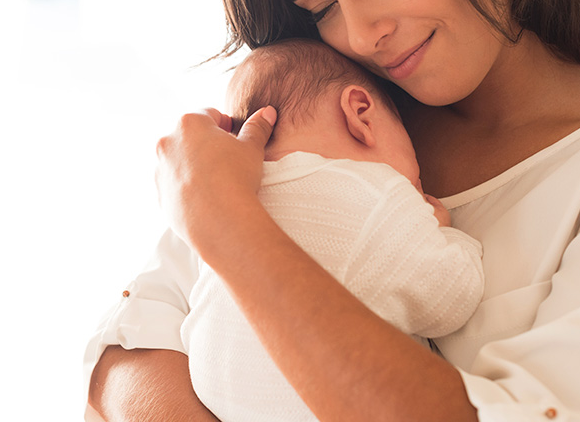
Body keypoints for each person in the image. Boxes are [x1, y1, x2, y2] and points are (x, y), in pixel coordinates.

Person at [86, 0, 580, 420]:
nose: (363, 35)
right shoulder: (333, 118)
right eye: (321, 7)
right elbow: (129, 357)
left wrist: (231, 227)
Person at [182, 38, 484, 421]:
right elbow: (451, 300)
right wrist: (445, 233)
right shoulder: (374, 194)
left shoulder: (228, 200)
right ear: (361, 114)